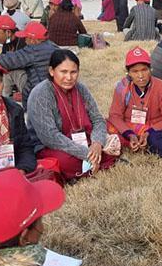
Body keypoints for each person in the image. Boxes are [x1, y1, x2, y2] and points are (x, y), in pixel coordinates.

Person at [29, 50, 121, 180]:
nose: (69, 77)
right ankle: (96, 162)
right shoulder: (41, 94)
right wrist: (87, 153)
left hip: (84, 140)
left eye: (73, 72)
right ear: (51, 71)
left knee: (116, 140)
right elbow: (50, 137)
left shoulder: (81, 88)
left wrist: (97, 144)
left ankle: (92, 163)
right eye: (63, 72)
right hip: (52, 147)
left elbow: (97, 119)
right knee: (65, 162)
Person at [107, 47, 162, 152]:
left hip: (153, 129)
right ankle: (131, 141)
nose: (141, 76)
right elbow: (115, 115)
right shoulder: (122, 87)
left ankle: (132, 142)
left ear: (150, 69)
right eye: (135, 71)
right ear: (128, 73)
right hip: (129, 126)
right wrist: (129, 134)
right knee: (106, 125)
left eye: (144, 70)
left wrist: (149, 132)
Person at [0, 22, 60, 109]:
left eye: (26, 38)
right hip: (56, 91)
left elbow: (6, 62)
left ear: (32, 40)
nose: (25, 41)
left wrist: (1, 56)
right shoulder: (53, 46)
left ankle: (4, 102)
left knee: (10, 72)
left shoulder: (33, 50)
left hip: (38, 94)